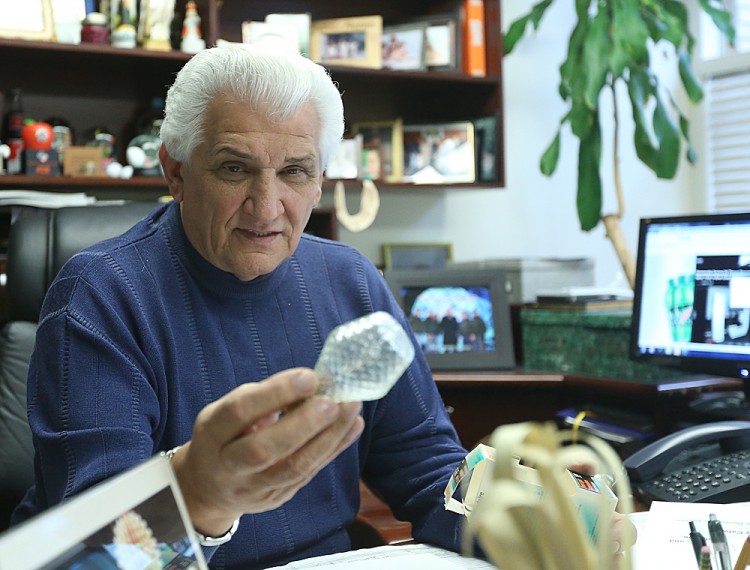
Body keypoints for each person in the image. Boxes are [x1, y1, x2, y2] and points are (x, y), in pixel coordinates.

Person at [13, 43, 634, 568]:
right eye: (234, 169)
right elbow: (87, 548)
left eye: (294, 171)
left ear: (320, 178)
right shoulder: (100, 295)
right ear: (176, 171)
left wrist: (535, 521)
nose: (266, 205)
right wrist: (198, 493)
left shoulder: (351, 283)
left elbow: (426, 474)